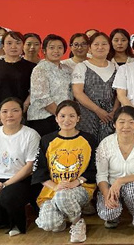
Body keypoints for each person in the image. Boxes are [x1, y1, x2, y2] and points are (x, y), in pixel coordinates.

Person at [32, 100, 97, 243]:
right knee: (49, 224)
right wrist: (55, 186)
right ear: (56, 118)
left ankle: (77, 223)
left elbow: (94, 169)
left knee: (62, 196)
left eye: (72, 116)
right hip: (53, 190)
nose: (67, 120)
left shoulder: (88, 139)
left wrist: (75, 182)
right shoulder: (47, 140)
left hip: (81, 188)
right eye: (62, 116)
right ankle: (64, 216)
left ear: (78, 118)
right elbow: (39, 170)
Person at [0, 97, 41, 236]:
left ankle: (19, 223)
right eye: (4, 111)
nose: (9, 115)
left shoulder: (31, 135)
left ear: (22, 112)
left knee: (8, 195)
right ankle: (9, 215)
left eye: (15, 111)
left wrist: (5, 185)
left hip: (21, 180)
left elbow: (30, 166)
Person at [95, 106, 134, 239]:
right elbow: (101, 175)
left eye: (131, 122)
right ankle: (114, 216)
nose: (126, 126)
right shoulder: (105, 144)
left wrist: (120, 181)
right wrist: (107, 194)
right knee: (108, 213)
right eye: (121, 122)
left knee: (133, 191)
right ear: (114, 124)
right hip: (110, 187)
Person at [72, 32, 119, 142]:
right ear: (90, 48)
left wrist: (114, 111)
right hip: (87, 115)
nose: (100, 47)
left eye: (104, 44)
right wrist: (98, 110)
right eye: (96, 44)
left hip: (110, 116)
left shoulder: (115, 67)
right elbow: (78, 93)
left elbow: (119, 92)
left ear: (109, 47)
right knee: (88, 144)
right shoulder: (82, 66)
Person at [0, 31, 36, 123]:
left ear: (23, 45)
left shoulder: (32, 67)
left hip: (23, 115)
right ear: (3, 46)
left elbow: (34, 91)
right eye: (9, 43)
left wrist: (23, 109)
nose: (13, 47)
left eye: (18, 43)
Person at [27, 34, 73, 137]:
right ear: (44, 50)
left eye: (60, 48)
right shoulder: (40, 69)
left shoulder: (67, 69)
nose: (56, 51)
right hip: (44, 118)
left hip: (64, 118)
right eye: (52, 48)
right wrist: (61, 116)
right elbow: (43, 98)